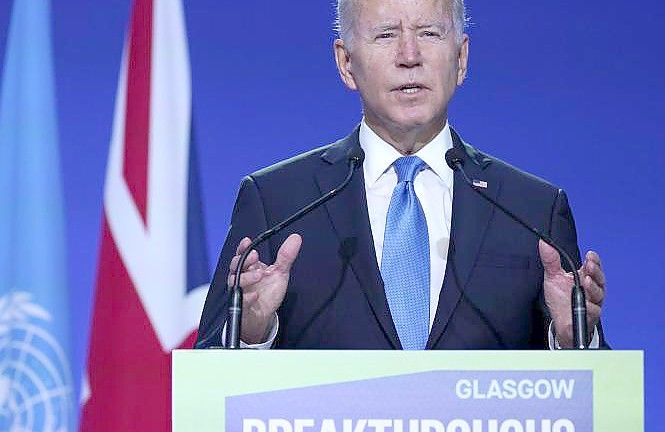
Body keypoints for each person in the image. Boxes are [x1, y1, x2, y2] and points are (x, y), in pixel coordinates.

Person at [195, 0, 608, 350]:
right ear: (346, 63)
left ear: (461, 59)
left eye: (429, 33)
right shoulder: (279, 202)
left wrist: (572, 338)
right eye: (386, 35)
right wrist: (251, 331)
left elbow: (592, 403)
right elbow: (210, 377)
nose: (409, 55)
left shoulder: (531, 208)